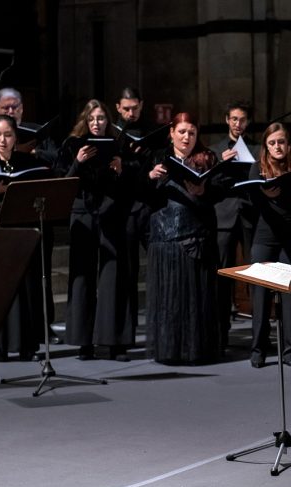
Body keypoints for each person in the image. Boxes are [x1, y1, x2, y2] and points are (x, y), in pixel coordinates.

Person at [56, 99, 136, 361]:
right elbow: (63, 182)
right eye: (92, 119)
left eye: (101, 118)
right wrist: (78, 162)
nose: (97, 123)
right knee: (82, 277)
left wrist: (121, 168)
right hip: (82, 213)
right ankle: (84, 342)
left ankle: (112, 342)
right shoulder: (71, 144)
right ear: (85, 121)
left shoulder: (119, 144)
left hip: (111, 211)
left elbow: (132, 181)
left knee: (112, 277)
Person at [143, 112, 221, 365]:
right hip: (164, 235)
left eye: (192, 133)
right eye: (182, 132)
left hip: (196, 234)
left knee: (195, 296)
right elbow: (142, 197)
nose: (187, 137)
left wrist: (204, 190)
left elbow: (220, 192)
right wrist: (150, 179)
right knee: (169, 297)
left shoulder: (207, 158)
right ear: (171, 132)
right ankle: (168, 349)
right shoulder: (156, 157)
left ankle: (196, 349)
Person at [0, 114, 50, 361]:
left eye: (7, 135)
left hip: (20, 226)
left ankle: (27, 344)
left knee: (25, 285)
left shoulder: (26, 161)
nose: (2, 140)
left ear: (16, 137)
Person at [247, 123, 291, 368]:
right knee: (260, 296)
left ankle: (289, 350)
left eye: (281, 142)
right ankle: (258, 349)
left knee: (289, 296)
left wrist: (280, 197)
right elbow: (254, 203)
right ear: (266, 146)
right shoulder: (257, 169)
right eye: (272, 143)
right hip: (264, 238)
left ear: (288, 144)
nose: (277, 147)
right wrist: (270, 198)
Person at [208, 100, 258, 349]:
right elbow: (207, 183)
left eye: (243, 120)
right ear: (227, 120)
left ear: (248, 122)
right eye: (234, 119)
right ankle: (220, 334)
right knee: (222, 277)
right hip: (225, 217)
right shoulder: (215, 150)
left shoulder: (259, 149)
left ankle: (258, 335)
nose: (238, 124)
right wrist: (220, 163)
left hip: (249, 216)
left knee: (256, 275)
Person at [114, 87, 155, 347]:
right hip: (124, 208)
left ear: (141, 105)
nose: (131, 113)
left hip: (149, 207)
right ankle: (126, 333)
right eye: (126, 108)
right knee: (127, 272)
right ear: (118, 107)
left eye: (135, 108)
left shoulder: (151, 131)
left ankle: (157, 328)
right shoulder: (112, 133)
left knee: (156, 267)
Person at [0, 87, 58, 166]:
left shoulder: (38, 130)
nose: (11, 111)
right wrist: (15, 151)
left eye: (15, 107)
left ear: (21, 109)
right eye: (6, 108)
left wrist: (34, 152)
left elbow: (57, 157)